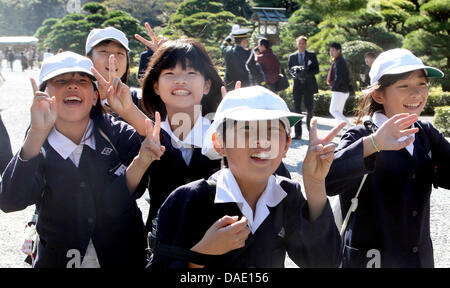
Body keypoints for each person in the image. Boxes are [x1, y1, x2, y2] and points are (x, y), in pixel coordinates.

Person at [148, 86, 345, 268]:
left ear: (286, 146)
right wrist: (201, 255)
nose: (261, 142)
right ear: (219, 143)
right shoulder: (188, 200)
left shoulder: (287, 196)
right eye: (246, 130)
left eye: (272, 131)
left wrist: (315, 184)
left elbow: (325, 263)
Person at [0, 52, 157, 267]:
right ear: (44, 93)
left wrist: (129, 111)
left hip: (124, 256)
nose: (72, 86)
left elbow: (160, 147)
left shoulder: (116, 133)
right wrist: (36, 134)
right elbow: (10, 201)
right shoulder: (38, 141)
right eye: (61, 80)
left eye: (82, 80)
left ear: (94, 97)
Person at [325, 48, 450, 268]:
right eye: (404, 86)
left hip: (418, 260)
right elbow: (328, 180)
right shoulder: (360, 135)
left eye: (422, 84)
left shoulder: (426, 133)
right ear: (378, 94)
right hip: (370, 260)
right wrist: (373, 144)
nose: (417, 94)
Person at [288, 36, 319, 140]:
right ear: (297, 44)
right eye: (299, 43)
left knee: (309, 109)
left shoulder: (311, 55)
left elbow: (316, 69)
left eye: (303, 43)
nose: (301, 45)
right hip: (297, 85)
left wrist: (305, 72)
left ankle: (311, 132)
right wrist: (296, 74)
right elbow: (289, 70)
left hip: (308, 85)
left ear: (306, 44)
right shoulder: (292, 57)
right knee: (297, 109)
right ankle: (298, 133)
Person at [327, 42, 352, 129]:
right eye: (330, 50)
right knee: (338, 112)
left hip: (339, 90)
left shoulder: (339, 61)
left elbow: (339, 77)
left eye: (333, 50)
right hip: (343, 90)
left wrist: (334, 88)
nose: (331, 52)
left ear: (339, 51)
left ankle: (350, 126)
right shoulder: (339, 60)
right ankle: (339, 130)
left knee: (333, 110)